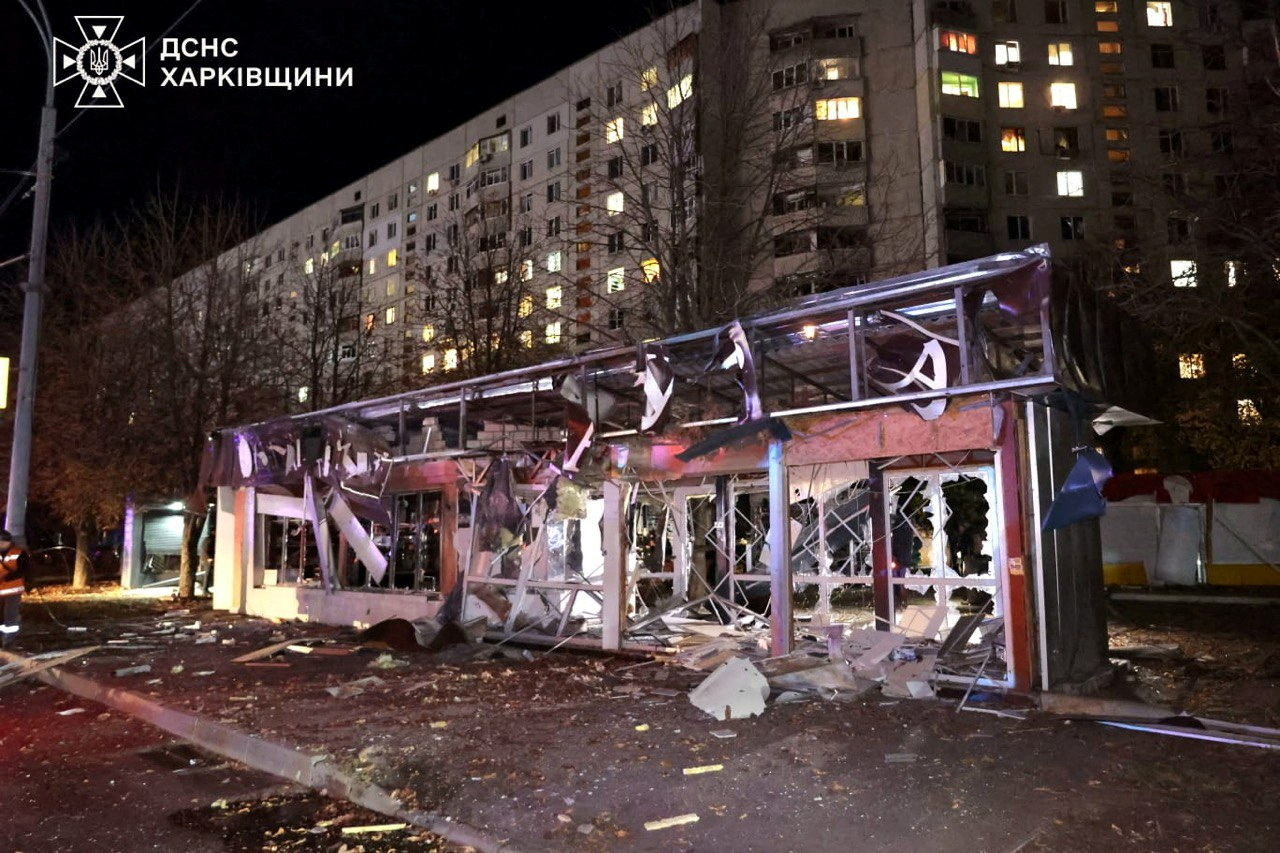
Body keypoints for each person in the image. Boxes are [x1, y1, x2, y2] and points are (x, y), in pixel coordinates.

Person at [0, 529, 31, 648]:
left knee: (10, 616)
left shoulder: (18, 553)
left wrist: (10, 577)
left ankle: (9, 641)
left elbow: (25, 571)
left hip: (12, 591)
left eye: (3, 542)